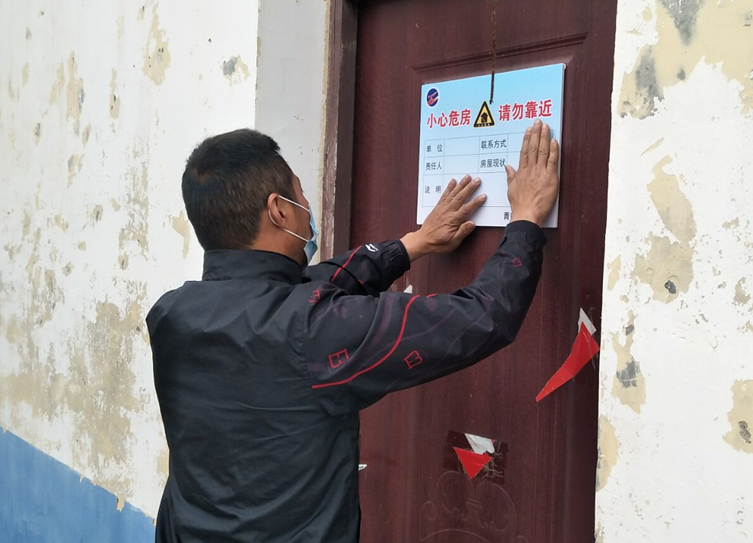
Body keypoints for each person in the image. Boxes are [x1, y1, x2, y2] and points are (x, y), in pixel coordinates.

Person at [147, 120, 560, 543]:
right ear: (278, 210)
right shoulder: (313, 330)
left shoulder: (170, 315)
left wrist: (412, 245)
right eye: (300, 194)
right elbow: (482, 316)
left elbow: (300, 289)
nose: (307, 205)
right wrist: (526, 221)